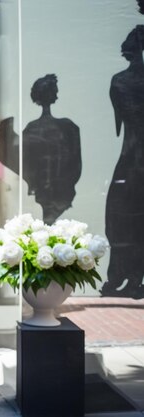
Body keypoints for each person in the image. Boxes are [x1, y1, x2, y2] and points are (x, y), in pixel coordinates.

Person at [102, 26, 144, 298]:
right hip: (131, 158)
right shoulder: (119, 81)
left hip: (129, 156)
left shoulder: (119, 82)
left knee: (121, 220)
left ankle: (124, 276)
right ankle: (130, 277)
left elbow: (120, 124)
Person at [22, 74, 82, 224]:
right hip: (49, 189)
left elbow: (75, 162)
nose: (56, 94)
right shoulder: (66, 127)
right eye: (53, 91)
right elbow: (27, 164)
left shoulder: (67, 127)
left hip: (57, 189)